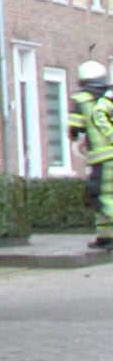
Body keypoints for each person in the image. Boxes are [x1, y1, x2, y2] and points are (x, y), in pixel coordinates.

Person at [69, 61, 113, 251]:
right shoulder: (108, 96)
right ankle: (106, 237)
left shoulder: (81, 99)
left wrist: (76, 136)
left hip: (101, 158)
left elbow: (75, 129)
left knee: (99, 196)